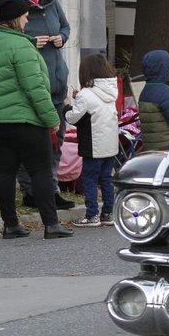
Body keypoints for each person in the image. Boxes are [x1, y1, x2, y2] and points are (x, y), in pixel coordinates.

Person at [0, 0, 72, 239]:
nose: (27, 22)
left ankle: (11, 225)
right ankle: (52, 225)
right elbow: (36, 89)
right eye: (24, 18)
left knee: (5, 170)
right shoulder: (23, 46)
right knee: (41, 170)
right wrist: (52, 120)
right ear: (14, 20)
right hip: (23, 121)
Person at [6, 0, 75, 211]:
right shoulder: (10, 14)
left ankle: (52, 188)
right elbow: (3, 41)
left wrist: (61, 38)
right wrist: (29, 43)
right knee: (31, 143)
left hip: (56, 86)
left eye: (30, 0)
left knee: (56, 140)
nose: (28, 7)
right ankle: (29, 191)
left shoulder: (51, 3)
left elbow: (66, 27)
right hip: (30, 90)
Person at [64, 54, 119, 227]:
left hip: (93, 145)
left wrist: (67, 105)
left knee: (89, 179)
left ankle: (92, 215)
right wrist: (79, 97)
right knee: (106, 179)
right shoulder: (111, 91)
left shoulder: (86, 94)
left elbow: (73, 118)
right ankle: (108, 214)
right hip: (110, 144)